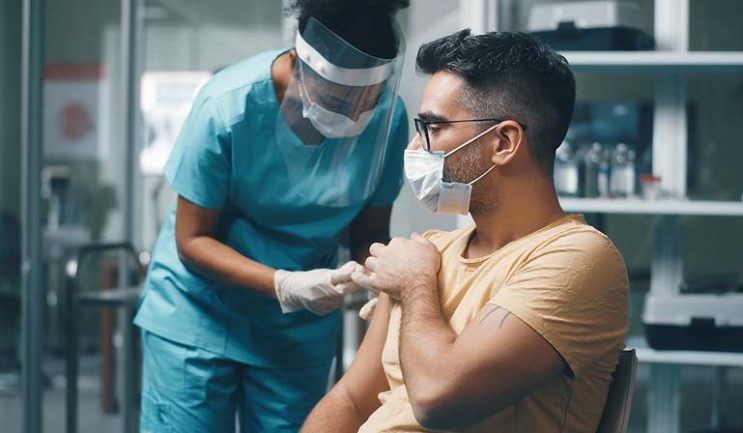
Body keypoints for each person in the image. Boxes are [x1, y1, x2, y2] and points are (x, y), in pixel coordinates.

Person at [301, 29, 629, 433]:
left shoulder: (578, 259)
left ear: (504, 142)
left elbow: (438, 400)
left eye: (433, 129)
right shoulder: (430, 253)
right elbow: (351, 401)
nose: (417, 149)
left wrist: (414, 284)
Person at [133, 1, 410, 432]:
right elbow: (192, 240)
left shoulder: (389, 122)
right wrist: (285, 284)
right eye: (338, 99)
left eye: (366, 101)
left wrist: (381, 280)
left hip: (296, 329)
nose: (353, 116)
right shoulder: (228, 106)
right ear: (300, 65)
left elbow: (371, 231)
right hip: (199, 314)